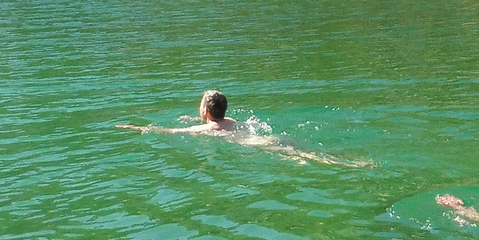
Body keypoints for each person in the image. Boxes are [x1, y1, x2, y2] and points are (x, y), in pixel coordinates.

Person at [120, 92, 368, 167]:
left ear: (206, 112)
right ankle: (349, 160)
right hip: (267, 136)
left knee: (304, 157)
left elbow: (170, 132)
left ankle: (350, 165)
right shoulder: (233, 121)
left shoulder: (207, 130)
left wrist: (139, 127)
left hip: (256, 145)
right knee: (304, 150)